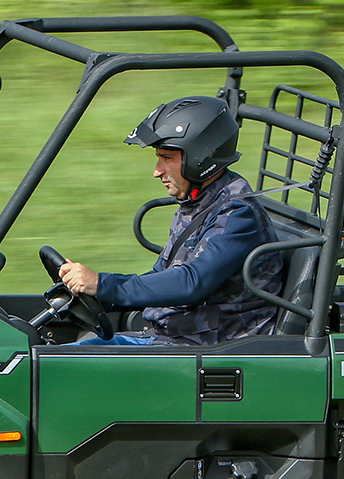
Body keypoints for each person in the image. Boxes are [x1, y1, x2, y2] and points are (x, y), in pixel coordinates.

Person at [58, 95, 284, 346]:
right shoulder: (199, 199)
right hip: (173, 337)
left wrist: (103, 285)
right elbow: (163, 274)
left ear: (200, 157)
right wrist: (98, 296)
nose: (157, 171)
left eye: (166, 158)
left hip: (208, 350)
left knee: (62, 365)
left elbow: (191, 282)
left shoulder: (236, 214)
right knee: (64, 353)